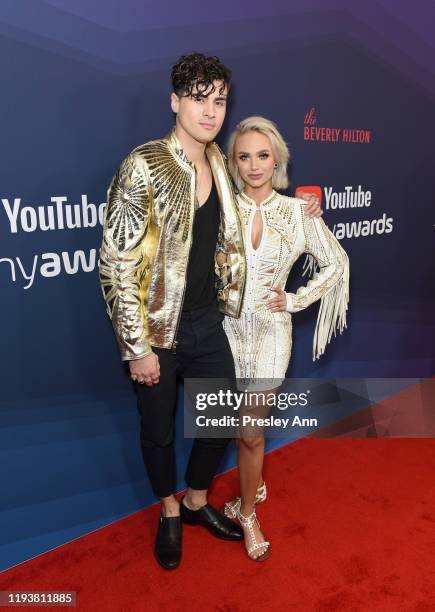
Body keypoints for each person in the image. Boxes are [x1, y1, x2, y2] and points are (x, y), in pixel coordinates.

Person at [99, 53, 321, 570]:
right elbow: (114, 264)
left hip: (208, 321)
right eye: (199, 98)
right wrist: (136, 347)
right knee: (157, 432)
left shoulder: (221, 161)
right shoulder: (144, 164)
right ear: (175, 101)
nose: (210, 111)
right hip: (157, 331)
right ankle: (170, 510)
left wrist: (306, 207)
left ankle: (198, 499)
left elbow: (258, 201)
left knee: (218, 422)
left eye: (219, 100)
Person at [220, 116, 350, 561]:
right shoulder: (221, 207)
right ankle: (250, 489)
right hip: (224, 333)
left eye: (262, 155)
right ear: (233, 163)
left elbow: (336, 262)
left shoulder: (297, 212)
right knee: (233, 426)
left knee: (250, 431)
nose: (254, 166)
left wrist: (295, 300)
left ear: (276, 159)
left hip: (273, 332)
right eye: (244, 157)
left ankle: (248, 512)